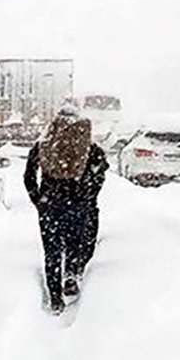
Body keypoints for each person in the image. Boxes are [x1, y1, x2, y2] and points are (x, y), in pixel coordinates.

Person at [23, 105, 108, 312]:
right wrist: (88, 196)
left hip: (50, 205)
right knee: (74, 244)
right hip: (77, 204)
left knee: (52, 251)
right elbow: (100, 173)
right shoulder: (89, 146)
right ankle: (71, 274)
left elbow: (29, 175)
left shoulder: (44, 144)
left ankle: (55, 296)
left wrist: (38, 199)